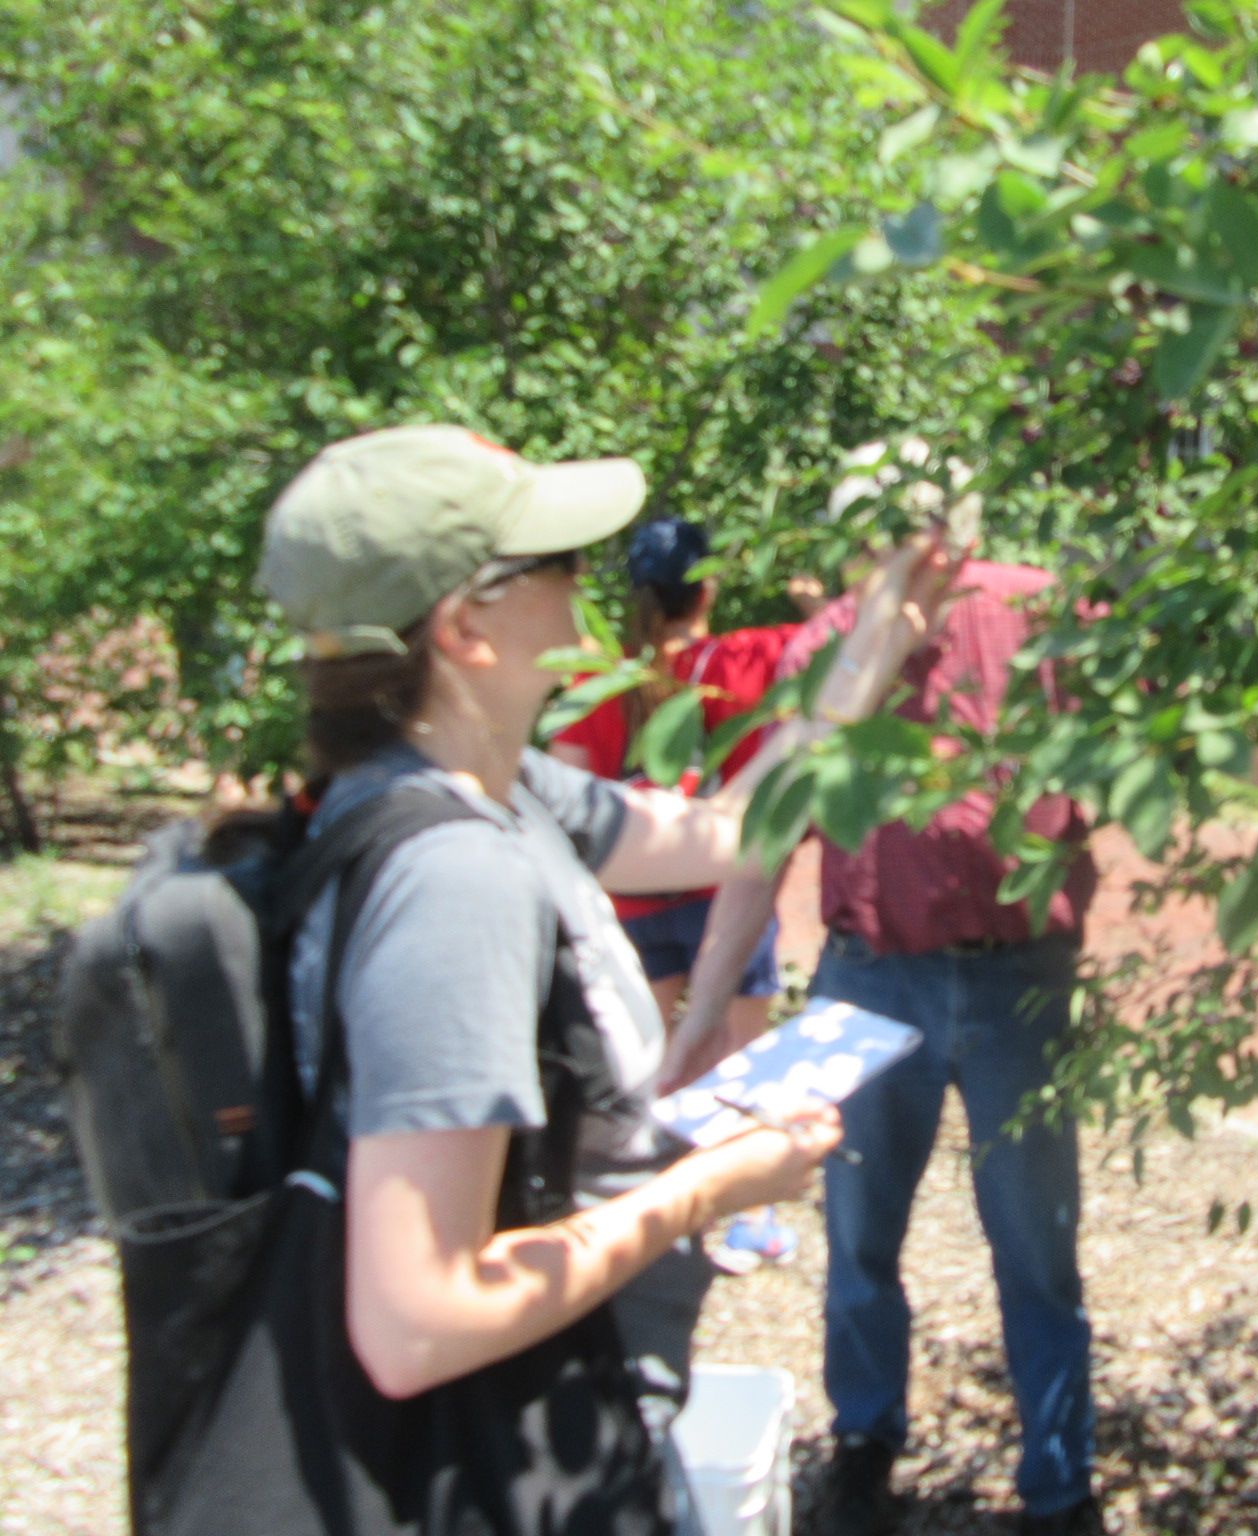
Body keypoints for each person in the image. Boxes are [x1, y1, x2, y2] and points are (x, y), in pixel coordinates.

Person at [250, 424, 951, 1534]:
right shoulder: (454, 879)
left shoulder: (497, 789)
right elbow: (417, 1317)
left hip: (563, 1417)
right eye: (556, 561)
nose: (589, 581)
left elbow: (728, 827)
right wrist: (705, 1186)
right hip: (495, 1467)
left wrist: (872, 635)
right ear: (465, 627)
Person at [663, 539, 1103, 1536]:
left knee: (1038, 1245)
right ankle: (863, 1446)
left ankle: (1060, 1484)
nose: (905, 557)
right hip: (866, 977)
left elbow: (1148, 745)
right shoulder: (826, 647)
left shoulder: (1046, 617)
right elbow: (764, 838)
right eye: (877, 536)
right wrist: (702, 1017)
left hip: (1017, 980)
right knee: (858, 1234)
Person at [550, 514, 814, 1274]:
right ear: (709, 585)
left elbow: (570, 783)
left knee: (657, 1061)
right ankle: (748, 1214)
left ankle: (666, 1209)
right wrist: (811, 604)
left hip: (633, 902)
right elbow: (836, 670)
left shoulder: (595, 679)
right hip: (721, 891)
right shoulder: (744, 656)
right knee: (742, 1052)